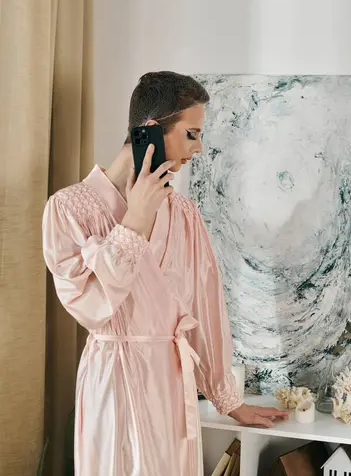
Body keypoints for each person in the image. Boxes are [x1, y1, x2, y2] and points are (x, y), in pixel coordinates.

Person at [42, 71, 288, 476]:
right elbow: (86, 305)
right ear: (152, 131)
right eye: (191, 134)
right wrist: (134, 222)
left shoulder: (183, 214)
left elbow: (205, 308)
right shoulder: (68, 209)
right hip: (113, 377)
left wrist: (229, 400)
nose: (200, 147)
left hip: (172, 381)